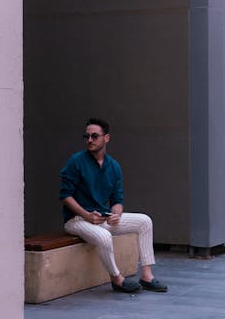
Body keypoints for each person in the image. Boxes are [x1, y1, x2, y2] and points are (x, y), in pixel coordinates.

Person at [59, 118, 168, 294]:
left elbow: (117, 199)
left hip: (102, 217)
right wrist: (87, 215)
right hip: (77, 220)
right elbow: (65, 196)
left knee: (144, 221)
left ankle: (147, 276)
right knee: (104, 237)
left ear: (106, 138)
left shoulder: (114, 166)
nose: (89, 140)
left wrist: (116, 214)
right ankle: (117, 279)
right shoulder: (76, 161)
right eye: (86, 136)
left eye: (94, 136)